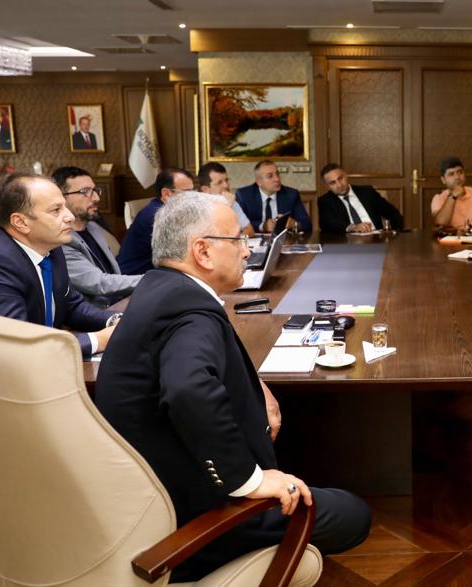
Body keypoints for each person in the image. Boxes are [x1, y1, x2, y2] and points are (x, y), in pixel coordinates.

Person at [95, 192, 370, 581]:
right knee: (353, 514)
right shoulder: (190, 310)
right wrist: (247, 480)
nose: (247, 250)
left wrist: (257, 387)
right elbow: (189, 389)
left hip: (147, 491)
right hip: (193, 517)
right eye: (238, 240)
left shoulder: (161, 289)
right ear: (203, 252)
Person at [0, 172, 116, 359]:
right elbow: (17, 344)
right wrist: (99, 340)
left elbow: (72, 306)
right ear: (21, 222)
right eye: (56, 210)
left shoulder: (48, 244)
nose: (69, 217)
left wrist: (115, 321)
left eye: (65, 207)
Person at [52, 166, 141, 307]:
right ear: (62, 198)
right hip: (97, 313)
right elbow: (98, 283)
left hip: (120, 300)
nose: (96, 198)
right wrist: (150, 280)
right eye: (85, 192)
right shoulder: (60, 240)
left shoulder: (93, 226)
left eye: (95, 190)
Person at [117, 167, 194, 275]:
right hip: (135, 277)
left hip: (155, 273)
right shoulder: (157, 216)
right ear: (166, 194)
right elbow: (181, 255)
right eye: (187, 193)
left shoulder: (165, 210)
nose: (193, 198)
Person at [318, 163, 404, 234]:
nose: (339, 185)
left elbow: (393, 213)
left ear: (346, 176)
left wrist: (395, 234)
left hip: (376, 238)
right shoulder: (325, 201)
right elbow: (327, 224)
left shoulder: (367, 192)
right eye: (332, 183)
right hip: (349, 243)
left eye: (340, 178)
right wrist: (353, 227)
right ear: (327, 186)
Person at [430, 156, 472, 241]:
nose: (457, 177)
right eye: (451, 174)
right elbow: (441, 222)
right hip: (454, 245)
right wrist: (453, 196)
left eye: (460, 172)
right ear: (443, 180)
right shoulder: (438, 198)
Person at [234, 160, 311, 234]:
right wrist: (263, 226)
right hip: (255, 241)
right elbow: (237, 224)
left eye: (277, 174)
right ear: (259, 182)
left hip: (284, 241)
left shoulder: (291, 195)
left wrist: (293, 223)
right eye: (270, 176)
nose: (277, 179)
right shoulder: (244, 195)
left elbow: (307, 225)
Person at [197, 162, 255, 236]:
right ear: (205, 189)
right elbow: (213, 235)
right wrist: (227, 206)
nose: (226, 185)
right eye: (219, 183)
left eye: (226, 180)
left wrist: (239, 239)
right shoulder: (198, 206)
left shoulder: (231, 202)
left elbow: (249, 229)